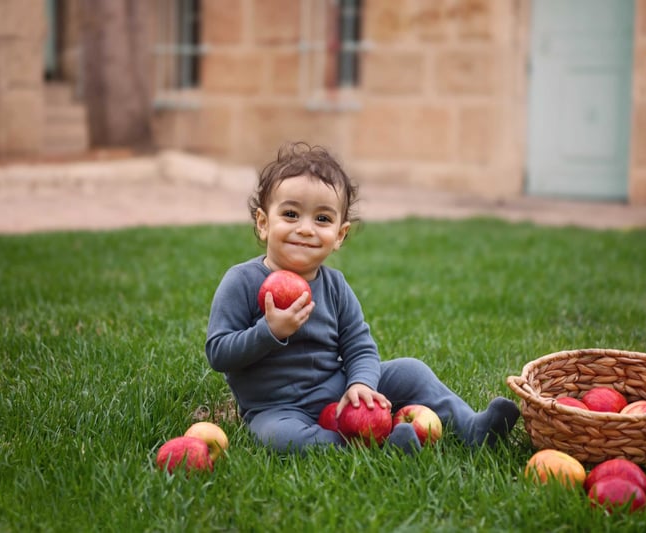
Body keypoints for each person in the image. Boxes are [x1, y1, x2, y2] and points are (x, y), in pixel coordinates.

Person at [204, 142, 520, 454]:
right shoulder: (242, 281)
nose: (305, 229)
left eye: (322, 219)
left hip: (340, 390)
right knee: (281, 438)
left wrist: (361, 386)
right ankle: (369, 446)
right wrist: (268, 332)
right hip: (277, 407)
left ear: (339, 236)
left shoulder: (335, 286)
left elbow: (359, 346)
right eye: (290, 214)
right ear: (263, 223)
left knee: (411, 370)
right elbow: (218, 353)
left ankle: (473, 428)